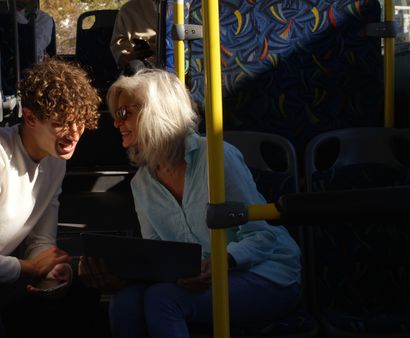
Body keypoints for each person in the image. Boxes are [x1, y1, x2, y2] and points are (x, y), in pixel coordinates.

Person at [79, 68, 302, 338]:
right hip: (197, 276)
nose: (116, 123)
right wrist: (123, 276)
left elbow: (262, 236)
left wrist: (222, 262)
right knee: (123, 302)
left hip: (267, 273)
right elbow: (158, 253)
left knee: (163, 300)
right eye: (116, 114)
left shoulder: (217, 158)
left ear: (156, 113)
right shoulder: (142, 183)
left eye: (125, 113)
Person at [0, 57, 104, 337]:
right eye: (61, 124)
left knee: (81, 291)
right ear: (29, 117)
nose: (74, 134)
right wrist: (29, 268)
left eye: (80, 123)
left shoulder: (55, 161)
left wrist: (53, 270)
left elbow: (41, 242)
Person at [110, 0, 158, 70]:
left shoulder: (178, 7)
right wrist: (134, 56)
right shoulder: (128, 10)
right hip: (147, 72)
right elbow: (120, 55)